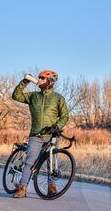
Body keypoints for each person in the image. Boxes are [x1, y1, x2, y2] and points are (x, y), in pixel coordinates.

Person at [10, 70, 69, 198]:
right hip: (36, 135)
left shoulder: (58, 98)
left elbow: (65, 116)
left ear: (50, 82)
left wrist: (57, 126)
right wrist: (25, 81)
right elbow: (16, 95)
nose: (40, 79)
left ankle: (51, 187)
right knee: (30, 161)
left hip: (52, 135)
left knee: (52, 162)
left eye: (43, 78)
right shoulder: (33, 96)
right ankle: (22, 188)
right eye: (39, 78)